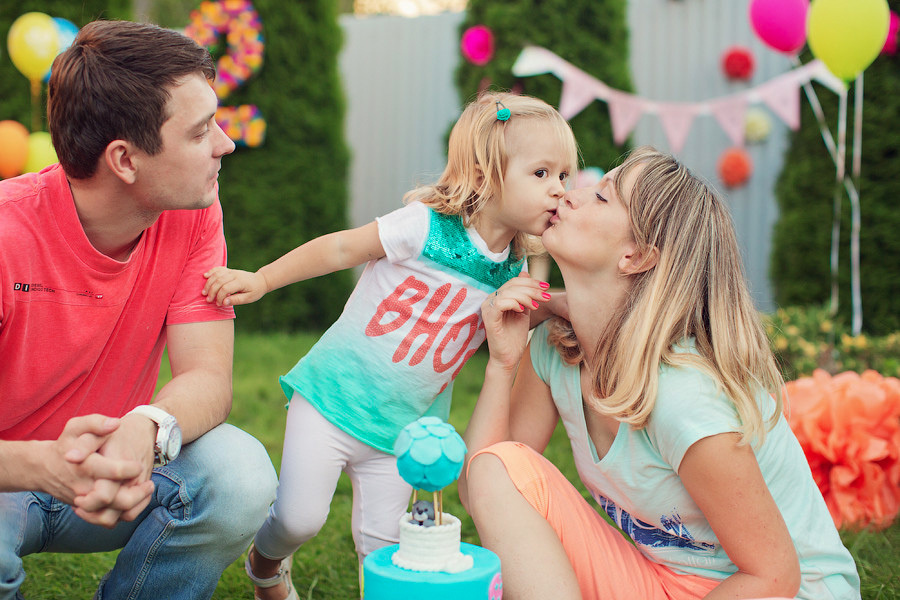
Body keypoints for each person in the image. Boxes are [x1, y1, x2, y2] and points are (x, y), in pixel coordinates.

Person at [201, 91, 577, 600]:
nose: (559, 191)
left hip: (403, 433)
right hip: (332, 400)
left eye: (564, 177)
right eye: (542, 174)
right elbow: (340, 247)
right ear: (489, 173)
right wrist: (263, 280)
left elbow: (520, 320)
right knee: (298, 519)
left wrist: (561, 307)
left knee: (381, 549)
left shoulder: (514, 269)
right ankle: (266, 563)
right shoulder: (424, 225)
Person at [459, 146, 861, 600]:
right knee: (500, 467)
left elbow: (774, 578)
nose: (571, 194)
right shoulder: (557, 349)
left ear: (637, 256)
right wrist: (502, 363)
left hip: (777, 593)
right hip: (664, 582)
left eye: (603, 197)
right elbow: (485, 493)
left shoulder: (683, 398)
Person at [0, 20, 278, 600]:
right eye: (201, 132)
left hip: (119, 474)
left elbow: (207, 377)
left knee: (239, 473)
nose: (225, 144)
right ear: (125, 160)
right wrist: (46, 465)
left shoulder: (195, 213)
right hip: (9, 482)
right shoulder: (7, 232)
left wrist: (146, 429)